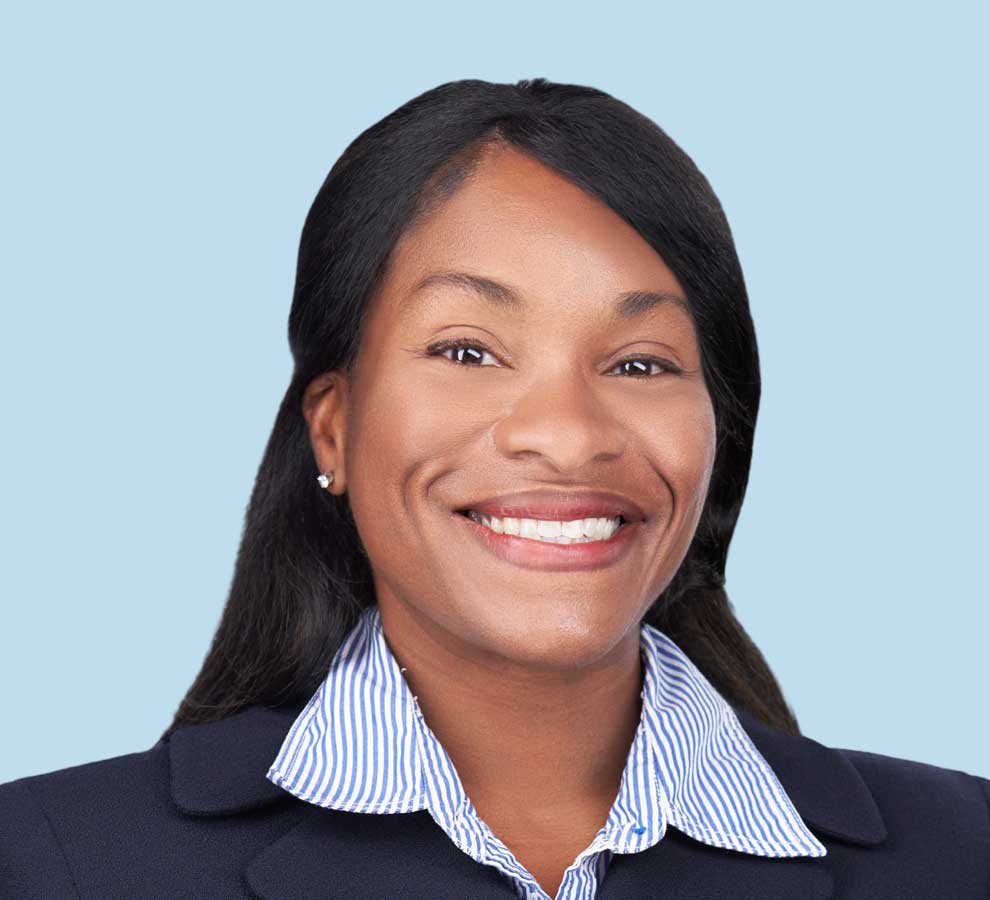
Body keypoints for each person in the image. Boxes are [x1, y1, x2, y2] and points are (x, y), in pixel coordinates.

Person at [1, 77, 987, 900]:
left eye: (641, 363)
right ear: (334, 425)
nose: (564, 435)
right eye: (467, 350)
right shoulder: (54, 862)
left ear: (717, 438)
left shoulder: (962, 853)